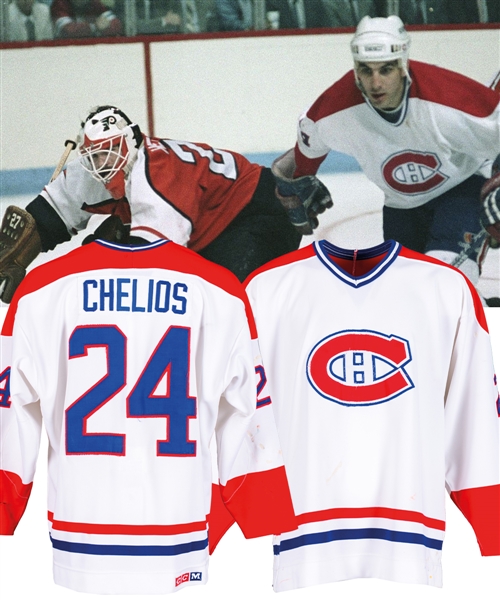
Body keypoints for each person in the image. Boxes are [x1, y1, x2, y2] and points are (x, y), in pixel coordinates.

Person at [273, 15, 500, 304]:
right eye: (365, 70)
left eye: (386, 69)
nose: (375, 83)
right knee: (402, 298)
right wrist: (301, 179)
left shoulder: (447, 97)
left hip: (463, 188)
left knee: (441, 283)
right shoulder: (334, 112)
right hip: (401, 205)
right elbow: (308, 140)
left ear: (403, 63)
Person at [0, 105, 302, 303]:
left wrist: (97, 256)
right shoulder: (89, 170)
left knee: (221, 304)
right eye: (95, 155)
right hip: (204, 220)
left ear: (132, 141)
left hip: (260, 211)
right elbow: (44, 217)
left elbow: (155, 263)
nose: (102, 163)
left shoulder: (157, 175)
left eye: (111, 150)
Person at [51, 0, 122, 38]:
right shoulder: (60, 4)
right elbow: (67, 31)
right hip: (64, 52)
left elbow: (116, 25)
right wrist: (94, 27)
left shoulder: (94, 3)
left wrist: (107, 26)